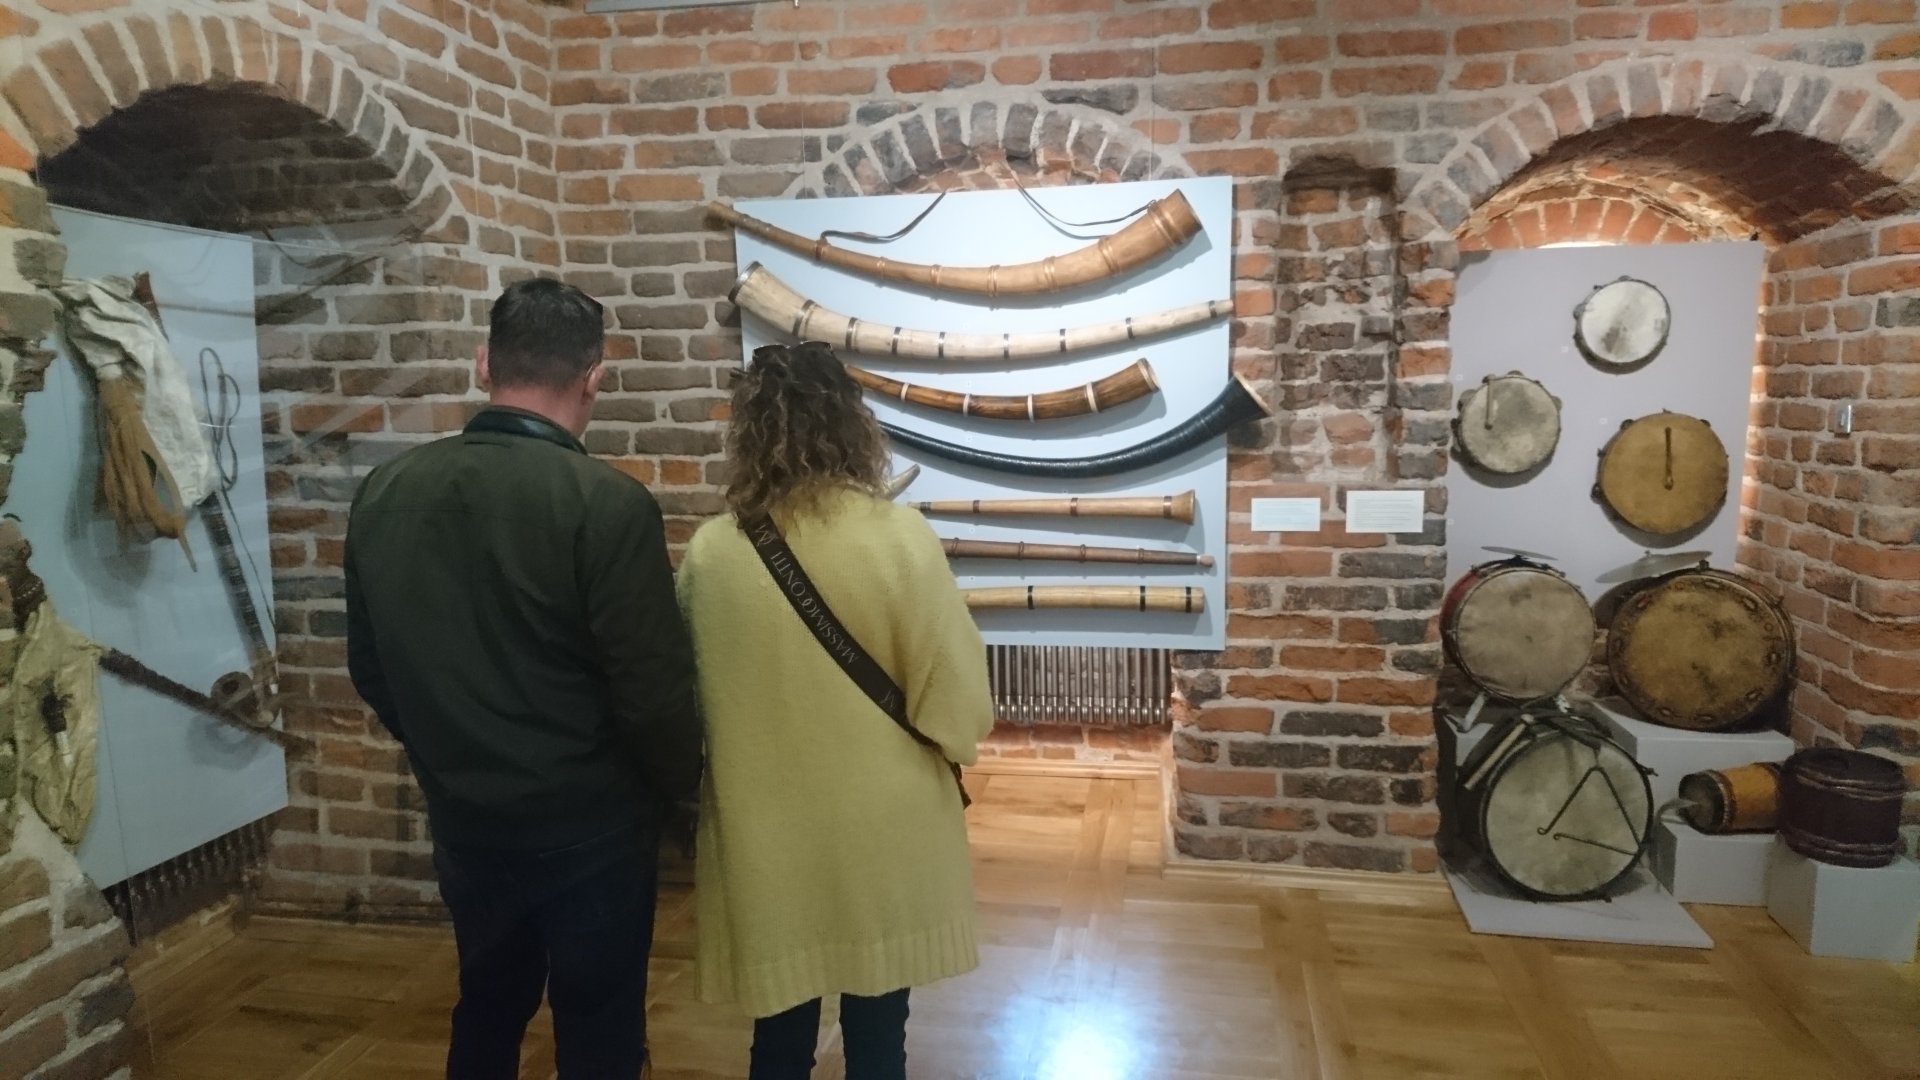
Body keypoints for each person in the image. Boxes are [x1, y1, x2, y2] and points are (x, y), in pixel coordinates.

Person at [345, 277, 700, 1080]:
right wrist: (681, 790)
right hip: (591, 820)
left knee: (486, 1004)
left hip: (464, 812)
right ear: (594, 378)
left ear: (484, 365)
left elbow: (370, 665)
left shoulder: (386, 491)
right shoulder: (608, 505)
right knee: (600, 1026)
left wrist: (445, 750)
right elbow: (651, 693)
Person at [675, 341, 995, 1080]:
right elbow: (958, 704)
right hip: (884, 827)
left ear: (749, 431)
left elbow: (690, 702)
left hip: (765, 832)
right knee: (879, 1040)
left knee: (779, 1037)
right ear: (854, 423)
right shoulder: (900, 538)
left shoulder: (713, 553)